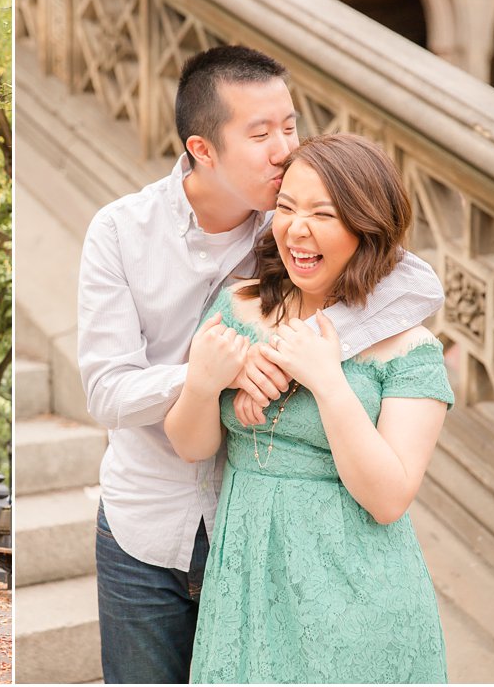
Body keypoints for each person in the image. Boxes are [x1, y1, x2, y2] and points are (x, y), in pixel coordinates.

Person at [77, 46, 443, 684]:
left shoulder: (287, 219)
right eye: (260, 133)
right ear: (204, 148)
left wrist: (296, 360)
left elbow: (414, 286)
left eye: (290, 125)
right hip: (147, 523)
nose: (283, 149)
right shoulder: (119, 232)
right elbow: (107, 392)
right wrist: (220, 372)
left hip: (260, 539)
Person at [165, 134, 450, 682]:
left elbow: (389, 498)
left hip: (357, 595)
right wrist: (203, 384)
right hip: (245, 579)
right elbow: (191, 445)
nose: (297, 229)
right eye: (288, 207)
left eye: (324, 213)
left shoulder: (410, 349)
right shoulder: (238, 306)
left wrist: (328, 381)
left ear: (367, 226)